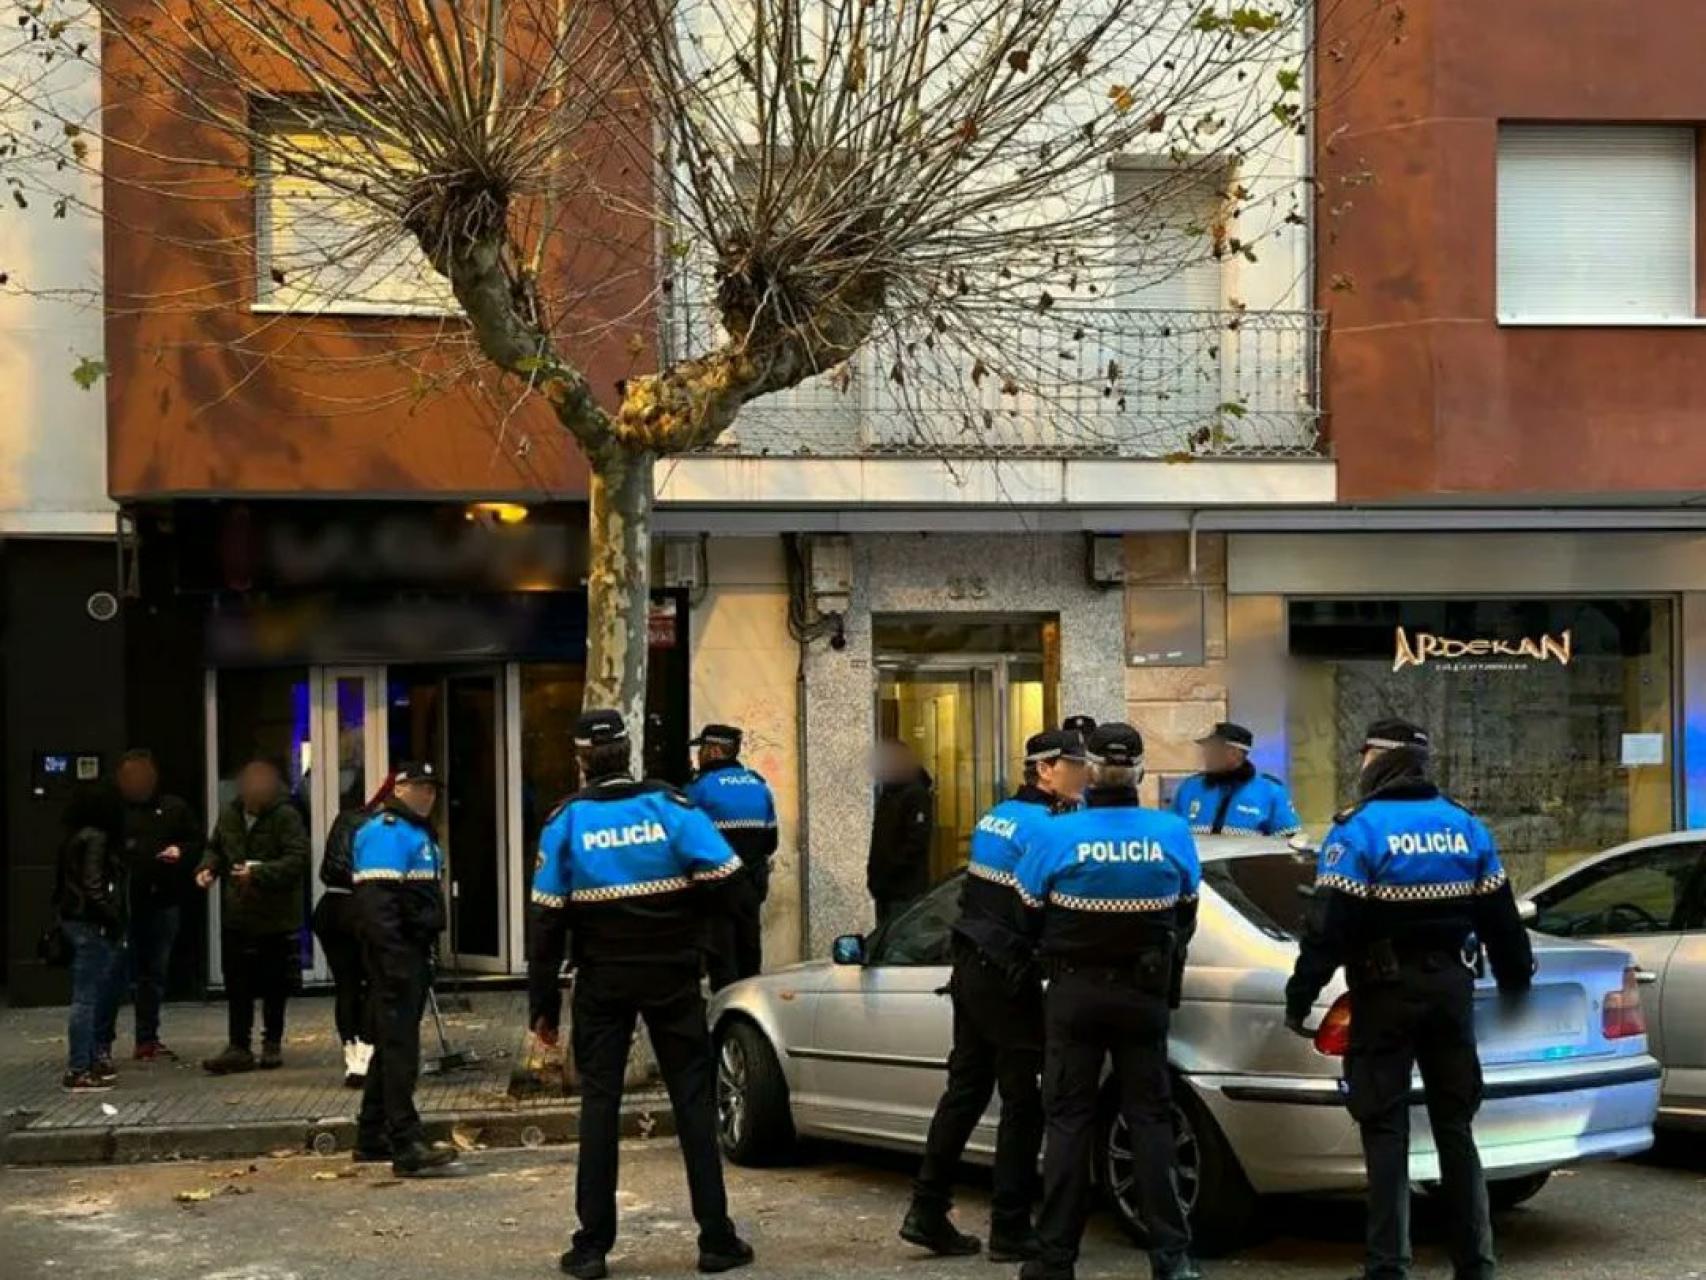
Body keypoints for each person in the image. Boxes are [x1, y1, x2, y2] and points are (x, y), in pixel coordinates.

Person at [1284, 719, 1533, 1280]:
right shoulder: (1465, 826)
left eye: (1366, 755)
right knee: (1456, 1129)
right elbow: (1503, 923)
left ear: (1382, 760)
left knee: (1385, 1130)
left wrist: (1300, 996)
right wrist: (1516, 984)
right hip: (1451, 995)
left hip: (1385, 996)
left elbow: (1327, 930)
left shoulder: (1358, 831)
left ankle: (1388, 1267)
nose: (1361, 764)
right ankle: (1476, 1264)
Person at [528, 709, 753, 1279]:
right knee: (693, 1102)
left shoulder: (566, 820)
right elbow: (734, 887)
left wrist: (542, 1009)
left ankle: (591, 1248)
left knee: (599, 1105)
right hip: (672, 976)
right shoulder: (671, 807)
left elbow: (546, 923)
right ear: (630, 752)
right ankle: (716, 1239)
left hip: (602, 980)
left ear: (581, 759)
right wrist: (707, 949)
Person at [1013, 723, 1203, 1280]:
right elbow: (1186, 913)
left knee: (1069, 1122)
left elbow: (1025, 914)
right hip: (1144, 994)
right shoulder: (1171, 832)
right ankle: (1171, 1259)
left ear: (1090, 772)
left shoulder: (1056, 834)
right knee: (1150, 1120)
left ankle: (1055, 1259)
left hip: (1074, 993)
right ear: (1139, 772)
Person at [901, 728, 1088, 1262]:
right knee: (1022, 1102)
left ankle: (927, 1210)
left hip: (972, 966)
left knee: (965, 1090)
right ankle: (1009, 1227)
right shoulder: (1048, 827)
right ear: (1044, 769)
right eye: (1073, 766)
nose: (1082, 776)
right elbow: (1046, 907)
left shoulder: (997, 816)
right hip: (1008, 973)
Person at [350, 763, 459, 1176]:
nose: (427, 795)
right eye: (418, 787)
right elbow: (377, 907)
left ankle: (371, 1134)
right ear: (398, 790)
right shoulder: (387, 831)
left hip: (408, 953)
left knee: (390, 1046)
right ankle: (406, 1142)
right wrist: (394, 962)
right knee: (401, 1052)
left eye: (431, 789)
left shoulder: (414, 832)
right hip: (395, 957)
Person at [196, 758, 309, 1074]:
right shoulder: (230, 813)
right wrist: (207, 868)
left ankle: (271, 1042)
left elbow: (297, 859)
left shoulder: (286, 816)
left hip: (275, 916)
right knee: (237, 984)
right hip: (238, 913)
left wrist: (258, 873)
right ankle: (238, 1046)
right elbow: (216, 846)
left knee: (274, 984)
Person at [115, 749, 203, 1061]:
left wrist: (180, 852)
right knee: (115, 974)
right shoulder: (113, 813)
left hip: (163, 900)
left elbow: (197, 843)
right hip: (122, 905)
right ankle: (100, 1045)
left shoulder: (173, 808)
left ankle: (146, 1039)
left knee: (154, 973)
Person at [313, 774, 395, 1089]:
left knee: (347, 985)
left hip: (332, 908)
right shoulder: (389, 828)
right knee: (374, 981)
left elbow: (329, 868)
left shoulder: (347, 819)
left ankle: (353, 1057)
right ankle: (365, 1052)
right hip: (362, 910)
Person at [685, 724, 779, 991]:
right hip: (752, 885)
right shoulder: (759, 786)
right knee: (749, 953)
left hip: (717, 889)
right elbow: (771, 842)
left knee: (722, 958)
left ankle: (726, 1008)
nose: (698, 755)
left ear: (714, 751)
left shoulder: (699, 789)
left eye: (702, 749)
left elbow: (686, 842)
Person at [53, 786, 129, 1093]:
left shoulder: (74, 837)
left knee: (87, 994)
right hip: (91, 923)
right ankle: (80, 1068)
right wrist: (112, 917)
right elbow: (93, 885)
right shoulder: (97, 839)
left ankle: (84, 1063)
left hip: (75, 919)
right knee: (88, 997)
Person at [1171, 722, 1300, 837]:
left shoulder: (1270, 791)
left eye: (1214, 748)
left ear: (1235, 753)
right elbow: (1170, 834)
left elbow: (1289, 841)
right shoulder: (1190, 787)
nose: (1206, 754)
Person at [867, 738, 934, 928]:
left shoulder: (916, 794)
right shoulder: (888, 794)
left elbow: (916, 841)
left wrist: (892, 870)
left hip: (904, 890)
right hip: (885, 889)